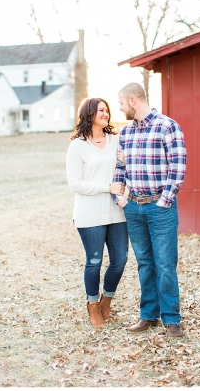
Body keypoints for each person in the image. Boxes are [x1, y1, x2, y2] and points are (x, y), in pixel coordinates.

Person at [112, 82, 187, 337]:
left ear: (133, 100)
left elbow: (178, 168)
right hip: (133, 207)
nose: (120, 109)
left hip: (160, 207)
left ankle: (171, 318)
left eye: (121, 103)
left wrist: (163, 202)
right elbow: (119, 169)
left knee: (165, 264)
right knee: (145, 263)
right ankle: (148, 315)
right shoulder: (125, 134)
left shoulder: (167, 126)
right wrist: (120, 200)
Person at [66, 97, 128, 328]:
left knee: (120, 260)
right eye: (100, 110)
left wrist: (127, 161)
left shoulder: (116, 140)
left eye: (107, 110)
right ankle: (92, 306)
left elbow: (126, 170)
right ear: (89, 114)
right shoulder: (78, 145)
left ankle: (106, 303)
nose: (105, 113)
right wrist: (106, 187)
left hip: (116, 212)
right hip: (89, 213)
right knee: (94, 261)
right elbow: (75, 184)